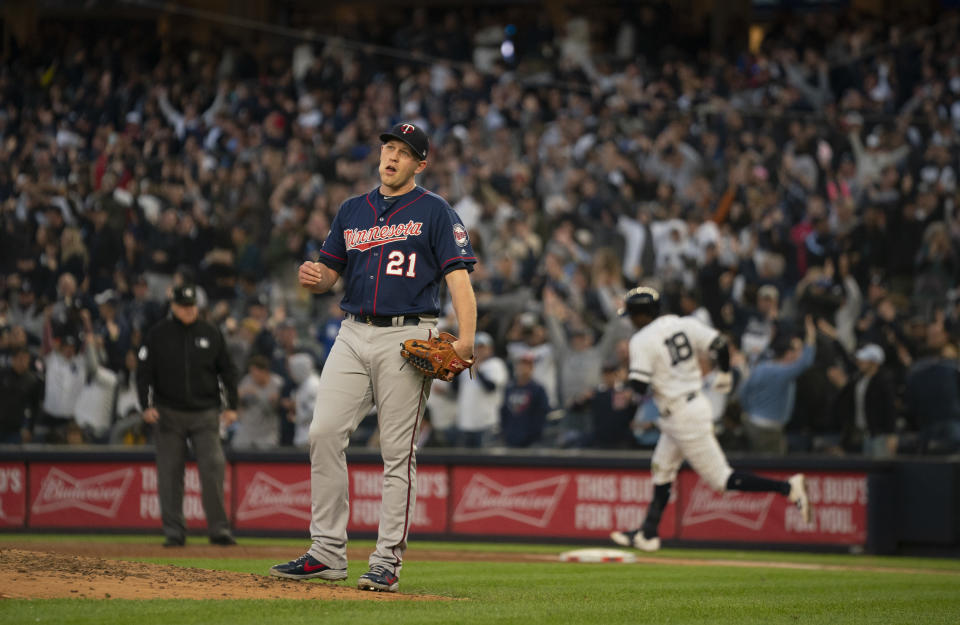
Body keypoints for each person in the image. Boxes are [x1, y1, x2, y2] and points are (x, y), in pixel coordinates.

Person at [271, 122, 477, 593]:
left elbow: (459, 279)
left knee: (395, 452)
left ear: (419, 164)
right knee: (323, 433)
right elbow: (331, 275)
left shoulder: (436, 211)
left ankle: (385, 561)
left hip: (408, 336)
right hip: (352, 331)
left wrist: (466, 339)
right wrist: (316, 276)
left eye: (404, 151)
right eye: (388, 147)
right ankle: (326, 552)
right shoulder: (351, 210)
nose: (392, 156)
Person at [610, 286, 811, 552]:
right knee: (662, 468)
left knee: (721, 479)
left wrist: (625, 384)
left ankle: (787, 488)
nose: (630, 319)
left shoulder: (641, 340)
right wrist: (726, 373)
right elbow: (718, 344)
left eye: (632, 314)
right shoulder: (682, 323)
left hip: (682, 414)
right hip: (686, 409)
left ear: (642, 314)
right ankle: (648, 533)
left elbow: (638, 387)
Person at [137, 284, 239, 547]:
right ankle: (174, 531)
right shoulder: (158, 334)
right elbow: (143, 372)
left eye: (192, 306)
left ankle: (219, 530)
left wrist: (231, 406)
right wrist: (145, 405)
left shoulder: (210, 332)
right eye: (184, 306)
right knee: (170, 473)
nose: (188, 310)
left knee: (213, 468)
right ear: (173, 306)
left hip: (205, 413)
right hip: (168, 413)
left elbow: (227, 371)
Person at [737, 318, 817, 454]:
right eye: (796, 351)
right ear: (788, 354)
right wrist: (811, 336)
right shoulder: (781, 371)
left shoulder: (761, 367)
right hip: (768, 429)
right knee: (770, 467)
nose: (798, 355)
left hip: (753, 422)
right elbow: (805, 363)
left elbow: (744, 391)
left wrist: (750, 411)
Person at [454, 331, 508, 447]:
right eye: (477, 348)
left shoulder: (495, 364)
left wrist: (477, 369)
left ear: (490, 349)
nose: (479, 351)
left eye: (483, 348)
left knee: (484, 462)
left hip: (486, 424)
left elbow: (490, 387)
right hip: (465, 423)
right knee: (465, 463)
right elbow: (455, 389)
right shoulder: (466, 367)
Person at [232, 354, 284, 450]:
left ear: (264, 371)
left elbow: (275, 408)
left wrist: (258, 394)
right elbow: (234, 399)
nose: (253, 376)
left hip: (267, 433)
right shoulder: (247, 380)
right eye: (251, 372)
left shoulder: (277, 383)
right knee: (237, 449)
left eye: (255, 373)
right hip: (247, 431)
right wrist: (240, 395)